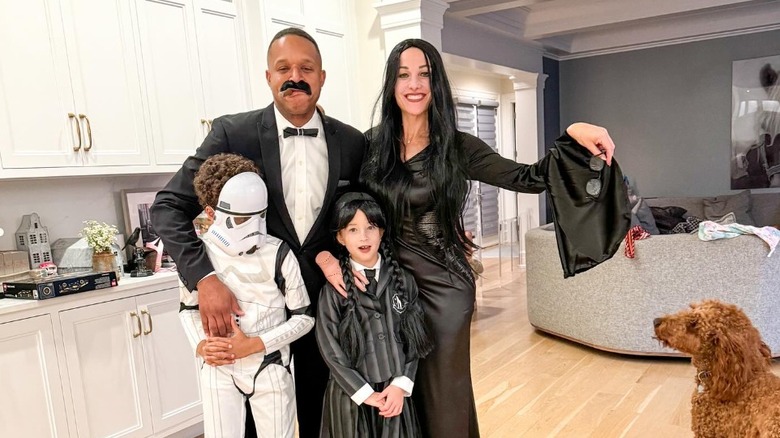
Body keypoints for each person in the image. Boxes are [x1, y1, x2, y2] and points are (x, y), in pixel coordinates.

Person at [320, 38, 619, 437]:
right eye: (404, 75)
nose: (414, 84)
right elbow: (344, 204)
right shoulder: (371, 145)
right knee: (394, 388)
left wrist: (573, 132)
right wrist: (327, 257)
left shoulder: (457, 147)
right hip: (385, 283)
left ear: (436, 83)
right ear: (391, 83)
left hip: (443, 287)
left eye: (424, 74)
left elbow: (526, 177)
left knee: (443, 390)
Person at [149, 27, 366, 437]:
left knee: (329, 421)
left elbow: (362, 219)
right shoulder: (233, 133)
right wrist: (204, 278)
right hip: (251, 317)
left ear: (322, 76)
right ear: (268, 77)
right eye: (283, 68)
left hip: (325, 310)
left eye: (306, 68)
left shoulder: (353, 143)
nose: (294, 77)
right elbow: (168, 207)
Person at [179, 153, 314, 437]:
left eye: (260, 217)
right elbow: (187, 308)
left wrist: (255, 344)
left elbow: (304, 317)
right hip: (219, 368)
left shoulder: (278, 252)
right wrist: (201, 347)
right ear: (212, 213)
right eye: (241, 219)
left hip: (270, 365)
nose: (254, 229)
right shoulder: (197, 255)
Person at [316, 192, 433, 437]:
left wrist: (401, 385)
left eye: (371, 227)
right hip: (351, 400)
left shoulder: (404, 281)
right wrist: (364, 393)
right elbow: (330, 350)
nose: (364, 236)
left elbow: (416, 341)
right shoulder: (333, 291)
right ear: (340, 237)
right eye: (353, 229)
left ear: (381, 231)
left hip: (395, 398)